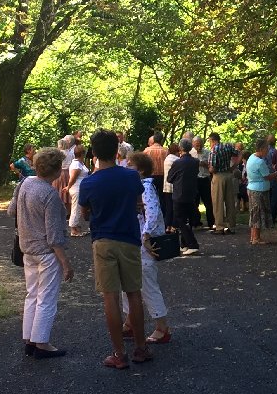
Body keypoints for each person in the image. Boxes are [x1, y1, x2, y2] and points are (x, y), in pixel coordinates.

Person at [78, 129, 153, 369]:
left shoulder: (88, 182)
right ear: (116, 151)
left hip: (103, 240)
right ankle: (141, 347)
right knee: (134, 293)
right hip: (129, 238)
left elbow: (85, 213)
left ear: (94, 152)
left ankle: (119, 354)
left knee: (110, 296)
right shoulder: (131, 177)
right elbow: (139, 203)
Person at [7, 147, 73, 359]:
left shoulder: (25, 183)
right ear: (56, 171)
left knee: (32, 295)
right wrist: (66, 264)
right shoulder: (50, 194)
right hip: (46, 253)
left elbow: (11, 210)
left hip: (27, 249)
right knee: (46, 298)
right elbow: (54, 236)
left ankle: (29, 339)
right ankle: (42, 343)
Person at [121, 152, 171, 344]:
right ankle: (130, 323)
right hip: (137, 239)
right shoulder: (139, 186)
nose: (127, 167)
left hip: (144, 242)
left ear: (140, 170)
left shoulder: (146, 186)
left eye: (130, 165)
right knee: (130, 281)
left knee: (146, 282)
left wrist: (146, 236)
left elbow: (152, 212)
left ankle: (162, 327)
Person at [167, 138, 201, 255]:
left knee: (181, 219)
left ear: (180, 148)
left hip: (179, 194)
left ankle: (192, 244)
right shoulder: (195, 162)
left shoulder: (177, 163)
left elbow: (169, 178)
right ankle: (184, 243)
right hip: (191, 193)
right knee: (188, 219)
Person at [245, 138, 276, 245]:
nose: (268, 150)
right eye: (266, 148)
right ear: (262, 149)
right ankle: (256, 238)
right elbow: (267, 176)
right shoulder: (260, 162)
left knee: (254, 212)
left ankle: (253, 236)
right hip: (259, 190)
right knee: (258, 213)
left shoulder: (251, 157)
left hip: (252, 188)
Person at [208, 132, 238, 235]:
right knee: (230, 202)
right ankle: (231, 226)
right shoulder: (228, 146)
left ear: (212, 140)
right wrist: (233, 167)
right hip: (228, 175)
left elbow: (212, 168)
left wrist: (209, 168)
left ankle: (219, 227)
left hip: (218, 176)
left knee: (218, 202)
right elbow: (238, 153)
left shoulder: (214, 150)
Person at [66, 141, 90, 237]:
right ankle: (73, 229)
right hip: (77, 188)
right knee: (76, 208)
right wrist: (68, 187)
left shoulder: (80, 163)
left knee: (78, 208)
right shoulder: (76, 165)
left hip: (81, 188)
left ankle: (76, 226)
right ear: (82, 153)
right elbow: (73, 178)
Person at [192, 136, 213, 229]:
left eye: (200, 145)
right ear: (193, 144)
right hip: (195, 179)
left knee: (208, 202)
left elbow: (211, 165)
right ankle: (196, 222)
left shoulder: (208, 152)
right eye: (197, 145)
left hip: (205, 179)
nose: (199, 147)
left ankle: (211, 222)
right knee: (195, 202)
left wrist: (204, 164)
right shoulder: (190, 153)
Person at [142, 131, 169, 196]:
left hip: (150, 176)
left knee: (151, 195)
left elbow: (142, 163)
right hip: (162, 177)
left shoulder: (147, 150)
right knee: (161, 196)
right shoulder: (166, 151)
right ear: (161, 140)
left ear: (154, 139)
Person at [161, 142, 180, 231]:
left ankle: (167, 226)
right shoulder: (177, 160)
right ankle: (174, 225)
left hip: (166, 186)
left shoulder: (167, 159)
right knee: (175, 207)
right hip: (174, 186)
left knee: (168, 207)